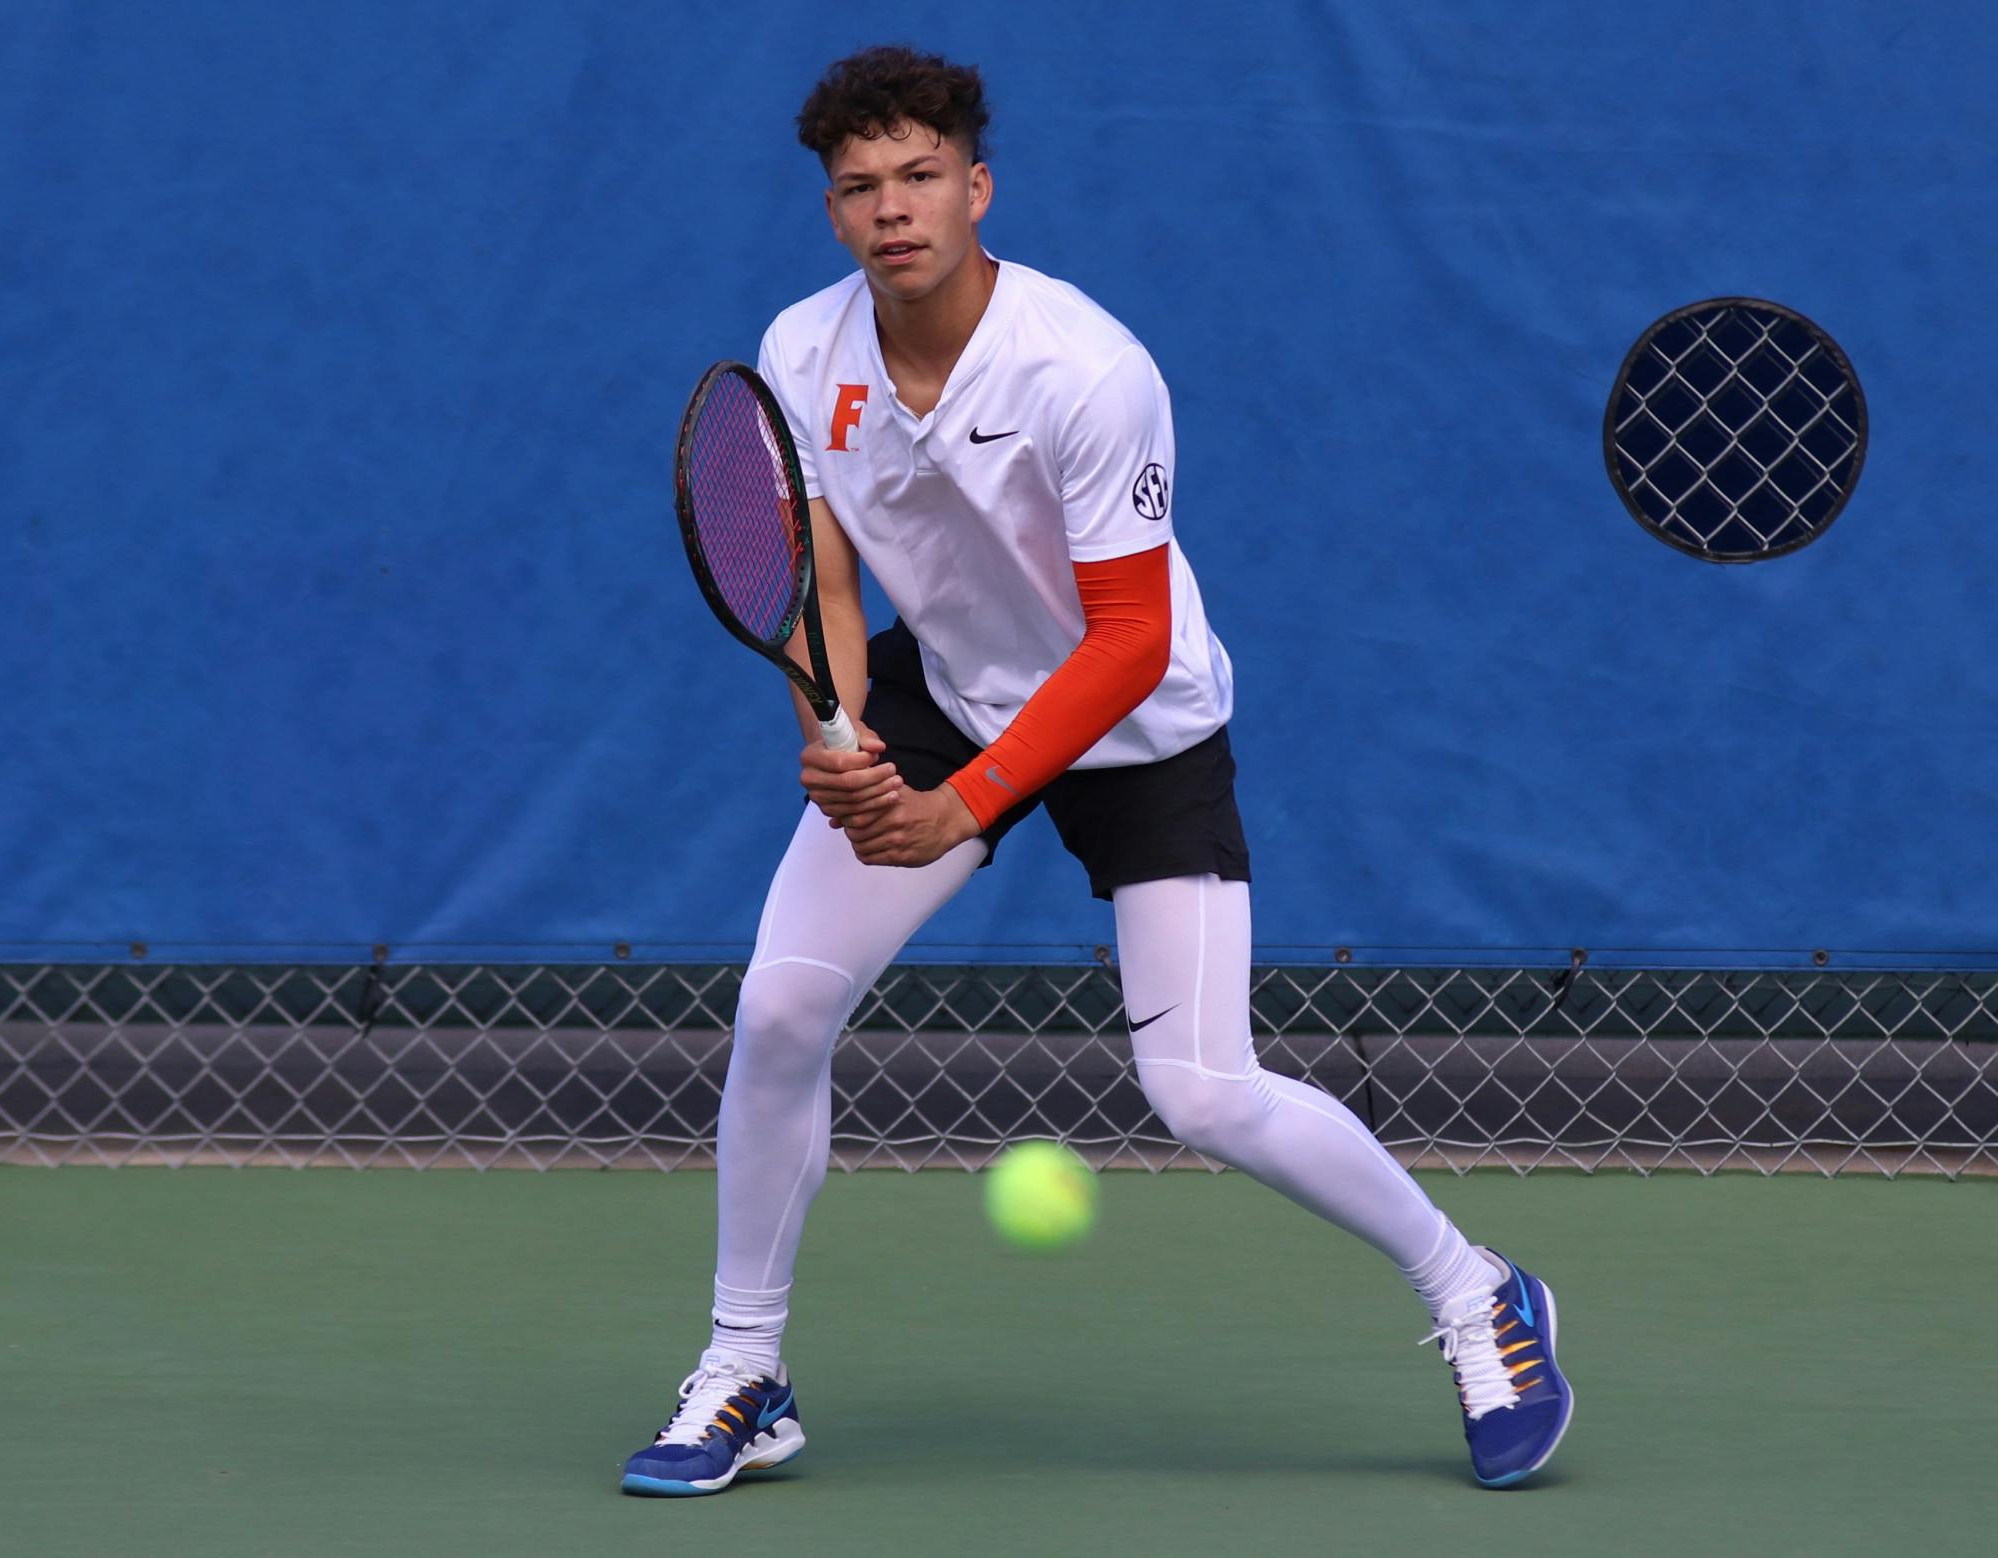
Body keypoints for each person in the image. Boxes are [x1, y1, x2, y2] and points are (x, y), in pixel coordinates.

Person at [622, 44, 1571, 1497]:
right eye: (860, 188)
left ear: (977, 186)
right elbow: (819, 574)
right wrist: (843, 725)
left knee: (1201, 1089)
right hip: (946, 686)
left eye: (922, 177)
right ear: (831, 212)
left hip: (1139, 724)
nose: (894, 210)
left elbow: (1125, 641)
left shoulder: (1085, 367)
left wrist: (967, 800)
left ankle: (1477, 1291)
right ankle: (746, 1366)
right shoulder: (806, 354)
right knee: (781, 1004)